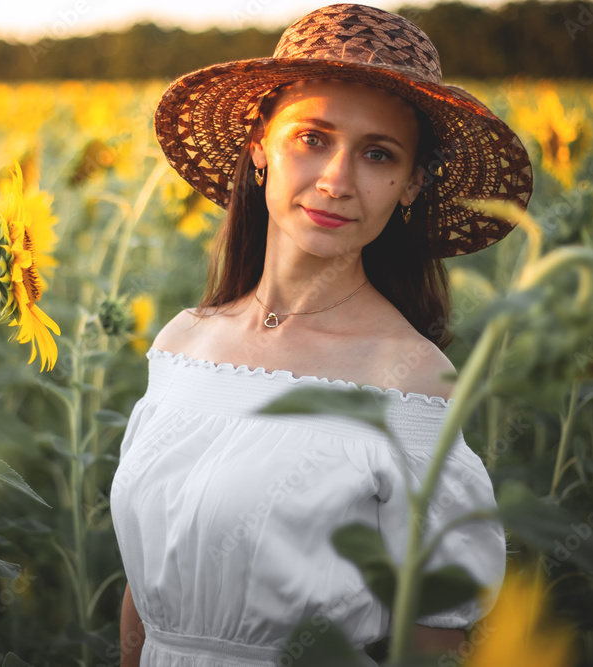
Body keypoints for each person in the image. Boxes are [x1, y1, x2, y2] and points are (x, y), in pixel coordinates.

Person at [110, 4, 533, 666]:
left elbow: (433, 638)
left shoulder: (413, 382)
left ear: (413, 184)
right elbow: (144, 598)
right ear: (260, 146)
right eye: (312, 137)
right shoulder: (182, 344)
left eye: (377, 154)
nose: (337, 181)